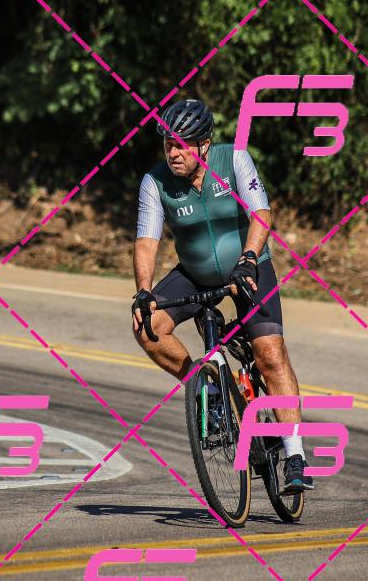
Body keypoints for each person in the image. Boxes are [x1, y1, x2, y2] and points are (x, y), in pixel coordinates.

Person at [130, 98, 313, 493]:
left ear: (205, 145)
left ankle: (295, 455)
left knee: (270, 354)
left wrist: (249, 258)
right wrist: (143, 290)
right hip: (194, 274)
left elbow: (261, 213)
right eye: (168, 145)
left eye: (183, 146)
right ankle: (207, 387)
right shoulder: (155, 182)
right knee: (147, 326)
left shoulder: (235, 159)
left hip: (247, 267)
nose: (174, 153)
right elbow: (147, 240)